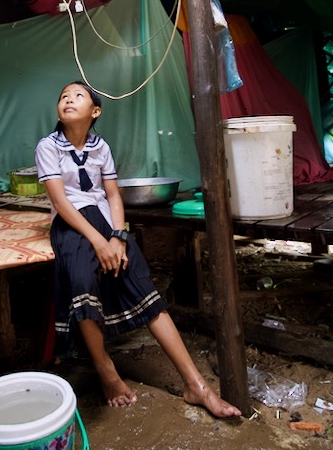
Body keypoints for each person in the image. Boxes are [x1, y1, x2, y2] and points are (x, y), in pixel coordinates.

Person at [35, 80, 241, 417]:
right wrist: (99, 242)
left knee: (144, 290)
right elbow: (60, 200)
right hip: (72, 226)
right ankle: (108, 374)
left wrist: (117, 235)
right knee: (84, 287)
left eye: (78, 96)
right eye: (63, 96)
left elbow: (113, 195)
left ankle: (196, 386)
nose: (69, 100)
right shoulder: (48, 146)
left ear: (95, 111)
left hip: (106, 224)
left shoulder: (101, 147)